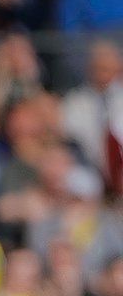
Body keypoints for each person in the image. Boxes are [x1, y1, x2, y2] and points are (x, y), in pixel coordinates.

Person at [60, 40, 123, 196]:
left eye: (108, 69)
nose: (103, 74)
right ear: (89, 69)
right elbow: (72, 139)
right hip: (88, 168)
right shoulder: (74, 101)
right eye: (99, 68)